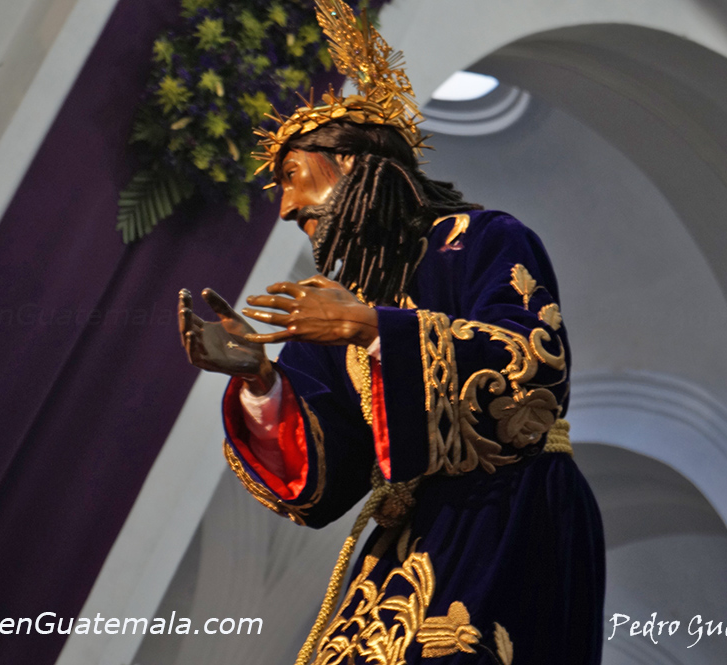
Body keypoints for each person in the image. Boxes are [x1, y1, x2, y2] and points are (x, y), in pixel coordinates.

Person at [177, 2, 604, 663]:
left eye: (292, 177)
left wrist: (370, 327)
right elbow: (325, 481)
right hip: (408, 538)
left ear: (349, 162)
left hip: (510, 509)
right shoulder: (338, 303)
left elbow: (531, 371)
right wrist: (260, 381)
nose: (286, 206)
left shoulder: (479, 239)